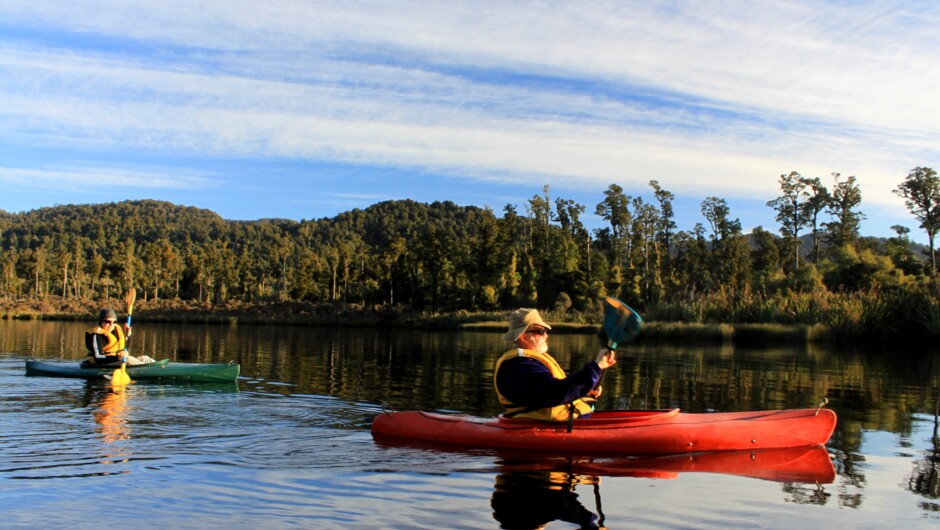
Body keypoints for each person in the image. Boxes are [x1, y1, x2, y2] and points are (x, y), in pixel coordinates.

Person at [493, 308, 616, 421]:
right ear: (524, 337)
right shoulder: (519, 367)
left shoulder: (529, 362)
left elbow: (554, 390)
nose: (546, 335)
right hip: (544, 428)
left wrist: (585, 390)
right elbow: (555, 393)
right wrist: (595, 368)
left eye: (545, 331)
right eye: (540, 331)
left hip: (565, 421)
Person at [85, 308, 156, 366]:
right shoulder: (97, 335)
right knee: (128, 359)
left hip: (117, 361)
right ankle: (146, 370)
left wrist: (128, 335)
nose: (111, 324)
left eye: (114, 322)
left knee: (145, 358)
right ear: (101, 322)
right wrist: (117, 357)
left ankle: (160, 367)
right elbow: (98, 358)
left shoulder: (116, 331)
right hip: (103, 364)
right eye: (107, 321)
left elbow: (124, 348)